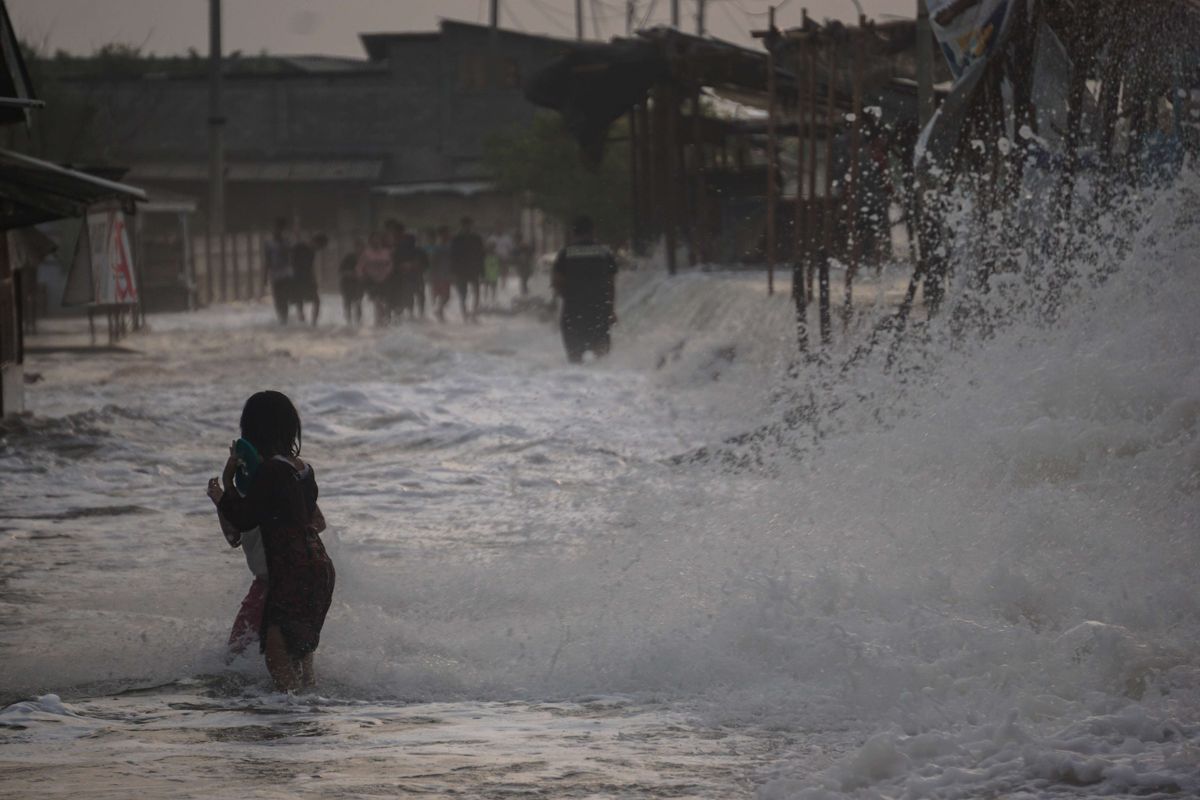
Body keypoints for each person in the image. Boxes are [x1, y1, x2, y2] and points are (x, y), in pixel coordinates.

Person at [213, 391, 335, 692]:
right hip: (318, 569)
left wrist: (227, 486)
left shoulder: (269, 473)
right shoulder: (301, 469)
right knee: (300, 655)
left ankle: (290, 721)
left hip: (287, 575)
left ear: (251, 431)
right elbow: (311, 519)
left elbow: (242, 521)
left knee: (277, 656)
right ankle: (306, 714)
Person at [206, 476, 269, 659]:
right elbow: (234, 539)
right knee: (238, 652)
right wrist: (221, 504)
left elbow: (317, 522)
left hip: (279, 580)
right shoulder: (241, 491)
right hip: (264, 582)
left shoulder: (279, 479)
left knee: (235, 655)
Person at [552, 215, 618, 363]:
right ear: (593, 231)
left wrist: (571, 297)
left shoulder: (565, 253)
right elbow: (610, 285)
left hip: (573, 314)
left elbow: (557, 283)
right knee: (602, 363)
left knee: (575, 362)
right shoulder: (604, 253)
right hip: (599, 313)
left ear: (573, 232)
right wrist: (611, 310)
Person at [449, 216, 484, 322]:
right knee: (462, 294)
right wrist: (453, 271)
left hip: (473, 269)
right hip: (461, 270)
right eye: (465, 225)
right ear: (462, 226)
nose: (467, 227)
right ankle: (465, 315)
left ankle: (473, 314)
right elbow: (453, 256)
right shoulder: (456, 239)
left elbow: (481, 254)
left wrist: (482, 270)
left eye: (468, 225)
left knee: (476, 293)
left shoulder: (476, 238)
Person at [357, 232, 394, 326]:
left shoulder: (386, 252)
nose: (376, 241)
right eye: (374, 239)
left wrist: (387, 273)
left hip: (384, 280)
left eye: (378, 239)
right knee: (376, 300)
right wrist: (361, 276)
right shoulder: (366, 253)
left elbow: (390, 265)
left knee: (385, 301)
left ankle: (385, 320)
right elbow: (360, 267)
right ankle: (378, 320)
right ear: (370, 241)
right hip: (371, 280)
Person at [291, 232, 327, 326]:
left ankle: (313, 324)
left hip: (307, 278)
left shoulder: (312, 252)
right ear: (315, 242)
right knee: (299, 300)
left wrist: (314, 279)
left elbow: (310, 267)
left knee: (316, 301)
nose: (318, 249)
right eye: (319, 246)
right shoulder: (299, 247)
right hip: (297, 277)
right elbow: (291, 260)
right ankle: (302, 322)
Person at [263, 218, 294, 324]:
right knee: (277, 297)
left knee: (284, 297)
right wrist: (265, 277)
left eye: (280, 229)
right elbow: (267, 260)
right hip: (275, 274)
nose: (277, 231)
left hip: (286, 273)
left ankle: (284, 318)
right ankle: (281, 318)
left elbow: (291, 258)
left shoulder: (287, 242)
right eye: (276, 229)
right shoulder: (269, 243)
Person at [339, 238, 364, 326]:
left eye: (361, 247)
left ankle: (358, 322)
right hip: (347, 283)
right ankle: (348, 322)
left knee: (358, 302)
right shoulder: (349, 257)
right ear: (355, 247)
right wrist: (350, 273)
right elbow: (341, 270)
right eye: (358, 247)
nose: (359, 249)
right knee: (348, 303)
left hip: (358, 284)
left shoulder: (364, 258)